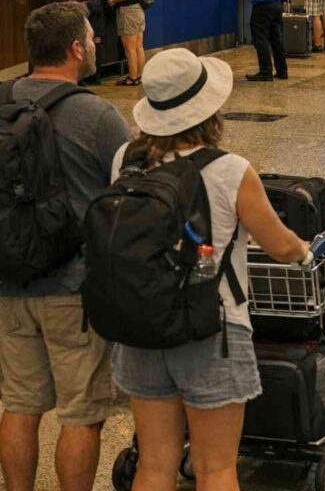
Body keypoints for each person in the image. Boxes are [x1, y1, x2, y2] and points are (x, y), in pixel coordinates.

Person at [109, 48, 310, 491]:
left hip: (141, 323)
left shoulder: (125, 159)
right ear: (209, 110)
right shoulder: (230, 170)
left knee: (154, 465)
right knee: (215, 468)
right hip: (212, 327)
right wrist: (305, 250)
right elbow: (279, 245)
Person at [0, 2, 131, 491]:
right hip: (73, 286)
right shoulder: (96, 115)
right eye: (92, 37)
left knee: (20, 404)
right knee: (81, 412)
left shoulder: (1, 101)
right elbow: (130, 192)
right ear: (76, 48)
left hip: (9, 277)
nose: (97, 42)